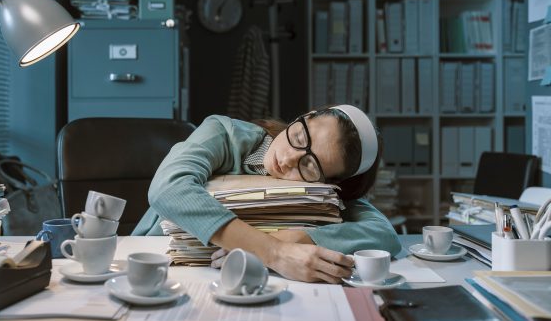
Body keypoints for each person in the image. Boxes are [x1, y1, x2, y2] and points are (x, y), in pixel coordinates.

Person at [132, 104, 401, 283]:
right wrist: (273, 251)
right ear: (304, 116)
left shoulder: (325, 193)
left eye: (309, 165)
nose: (288, 159)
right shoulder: (224, 132)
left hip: (237, 278)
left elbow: (384, 234)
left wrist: (299, 236)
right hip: (158, 263)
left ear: (330, 183)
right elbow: (168, 187)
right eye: (298, 138)